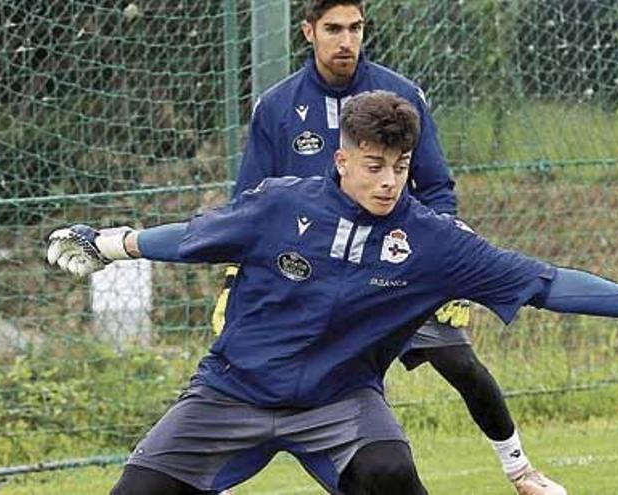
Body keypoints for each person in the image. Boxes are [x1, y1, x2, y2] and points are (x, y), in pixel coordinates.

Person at [47, 91, 618, 495]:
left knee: (391, 472)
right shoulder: (277, 206)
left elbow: (539, 279)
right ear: (343, 157)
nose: (389, 180)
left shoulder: (434, 241)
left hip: (340, 404)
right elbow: (190, 237)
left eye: (401, 166)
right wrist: (107, 243)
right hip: (229, 394)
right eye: (375, 165)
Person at [213, 1, 559, 492]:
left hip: (394, 271)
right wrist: (234, 279)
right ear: (308, 31)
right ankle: (209, 479)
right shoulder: (276, 106)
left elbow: (436, 187)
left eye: (355, 28)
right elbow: (245, 206)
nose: (345, 41)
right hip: (302, 285)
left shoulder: (400, 95)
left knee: (460, 363)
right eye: (333, 29)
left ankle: (520, 469)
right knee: (253, 377)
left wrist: (447, 267)